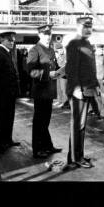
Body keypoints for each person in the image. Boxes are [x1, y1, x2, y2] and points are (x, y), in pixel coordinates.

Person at [65, 16, 99, 168]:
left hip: (88, 89)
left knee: (81, 125)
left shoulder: (87, 43)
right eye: (85, 26)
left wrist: (96, 84)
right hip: (79, 90)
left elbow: (91, 69)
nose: (88, 29)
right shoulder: (74, 44)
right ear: (78, 27)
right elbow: (71, 69)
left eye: (90, 27)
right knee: (77, 125)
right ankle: (75, 158)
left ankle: (78, 155)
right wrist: (76, 88)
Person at [27, 24, 63, 158]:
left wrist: (60, 70)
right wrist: (48, 74)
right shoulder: (35, 50)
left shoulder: (51, 50)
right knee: (39, 121)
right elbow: (31, 72)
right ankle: (37, 149)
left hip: (49, 91)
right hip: (40, 91)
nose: (48, 37)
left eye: (49, 34)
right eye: (45, 34)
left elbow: (56, 67)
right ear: (40, 35)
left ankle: (47, 145)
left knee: (46, 120)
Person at [0, 31, 21, 153]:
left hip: (9, 93)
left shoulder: (7, 53)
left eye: (13, 40)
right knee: (0, 119)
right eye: (9, 40)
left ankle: (7, 140)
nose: (12, 42)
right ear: (2, 41)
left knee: (8, 117)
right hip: (1, 94)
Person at [94, 44, 104, 119]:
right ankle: (99, 111)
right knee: (96, 96)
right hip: (95, 79)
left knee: (103, 96)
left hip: (102, 80)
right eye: (100, 49)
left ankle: (103, 113)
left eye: (102, 49)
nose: (101, 51)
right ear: (96, 49)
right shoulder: (93, 57)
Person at [53, 42, 69, 109]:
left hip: (64, 76)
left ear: (63, 49)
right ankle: (59, 100)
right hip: (59, 75)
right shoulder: (58, 56)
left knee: (64, 90)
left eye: (61, 49)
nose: (60, 51)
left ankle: (64, 102)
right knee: (59, 89)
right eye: (58, 50)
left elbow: (64, 67)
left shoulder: (66, 56)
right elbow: (57, 66)